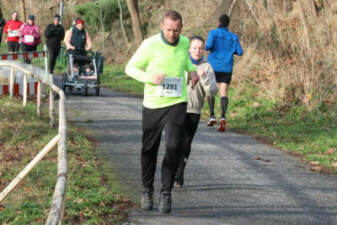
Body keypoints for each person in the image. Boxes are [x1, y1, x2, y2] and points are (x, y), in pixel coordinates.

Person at [125, 10, 199, 214]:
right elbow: (130, 68)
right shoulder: (149, 45)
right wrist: (150, 78)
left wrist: (191, 69)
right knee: (150, 147)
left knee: (175, 146)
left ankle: (166, 192)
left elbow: (186, 59)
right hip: (153, 103)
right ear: (161, 26)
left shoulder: (184, 42)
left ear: (181, 28)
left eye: (176, 30)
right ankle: (146, 189)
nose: (172, 35)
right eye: (169, 30)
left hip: (177, 101)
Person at [174, 36, 218, 187]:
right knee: (174, 142)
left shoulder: (207, 67)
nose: (198, 51)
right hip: (176, 106)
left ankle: (179, 173)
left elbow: (212, 92)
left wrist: (204, 79)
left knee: (186, 142)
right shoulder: (180, 62)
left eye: (200, 48)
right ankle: (172, 169)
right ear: (189, 49)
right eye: (195, 48)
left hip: (193, 109)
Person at [205, 14, 243, 132]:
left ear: (219, 22)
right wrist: (230, 50)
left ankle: (211, 116)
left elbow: (208, 46)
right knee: (223, 92)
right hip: (226, 67)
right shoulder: (234, 37)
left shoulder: (213, 33)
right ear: (228, 23)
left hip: (213, 66)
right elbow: (240, 52)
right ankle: (222, 117)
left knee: (211, 90)